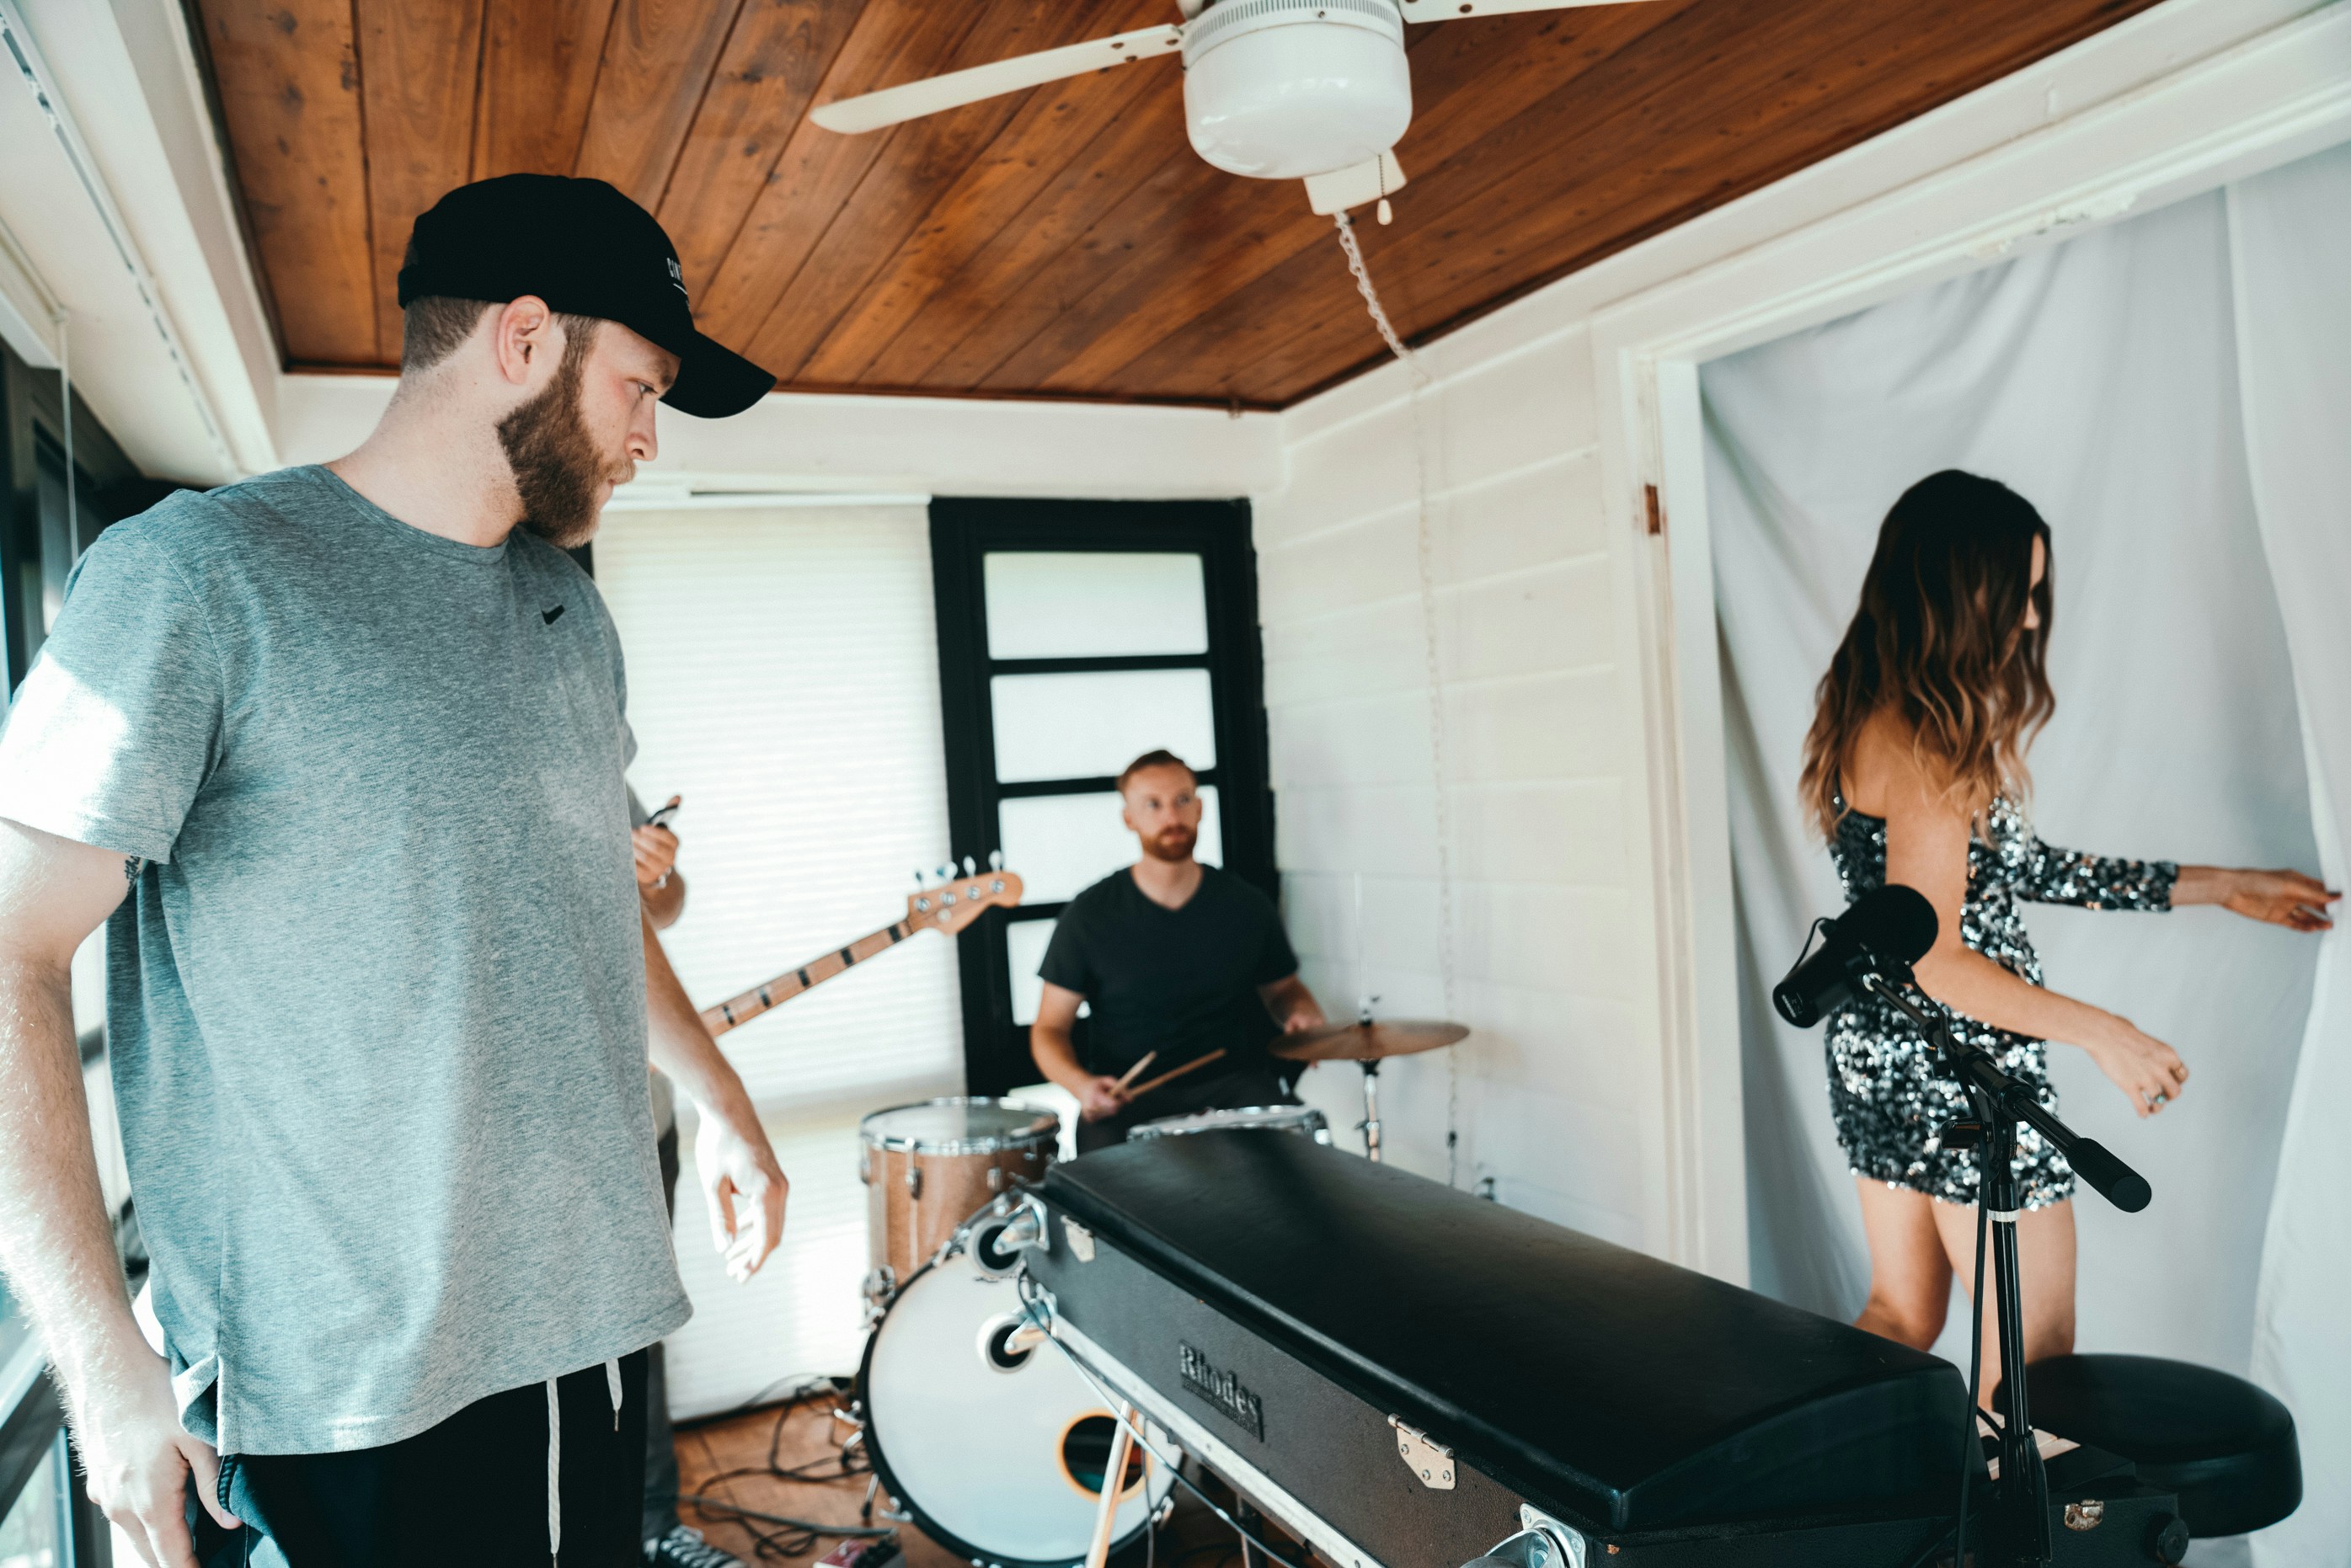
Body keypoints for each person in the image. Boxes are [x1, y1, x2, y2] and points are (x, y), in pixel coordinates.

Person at [0, 173, 789, 1568]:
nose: (647, 439)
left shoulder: (566, 611)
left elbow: (589, 903)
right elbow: (12, 948)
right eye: (641, 388)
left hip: (588, 1332)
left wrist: (720, 1101)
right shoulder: (198, 577)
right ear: (525, 340)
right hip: (334, 1396)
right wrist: (105, 1362)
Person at [1798, 469, 2337, 1400]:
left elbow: (2023, 870)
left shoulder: (1873, 714)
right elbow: (1937, 959)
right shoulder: (1927, 739)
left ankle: (1801, 1480)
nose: (2029, 619)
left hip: (1878, 1051)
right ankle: (1980, 1511)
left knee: (1900, 1315)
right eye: (2018, 593)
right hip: (1960, 1065)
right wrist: (2105, 1033)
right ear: (1956, 587)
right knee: (2033, 1362)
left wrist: (2220, 887)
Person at [1031, 750, 1327, 1152]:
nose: (1171, 816)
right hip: (1130, 1097)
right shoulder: (1089, 915)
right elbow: (1049, 1029)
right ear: (1129, 818)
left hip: (1235, 1085)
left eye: (1182, 800)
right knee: (1102, 1175)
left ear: (1200, 808)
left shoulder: (1245, 905)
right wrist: (1081, 1085)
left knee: (1305, 1152)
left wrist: (1302, 1013)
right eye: (1153, 804)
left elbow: (1283, 990)